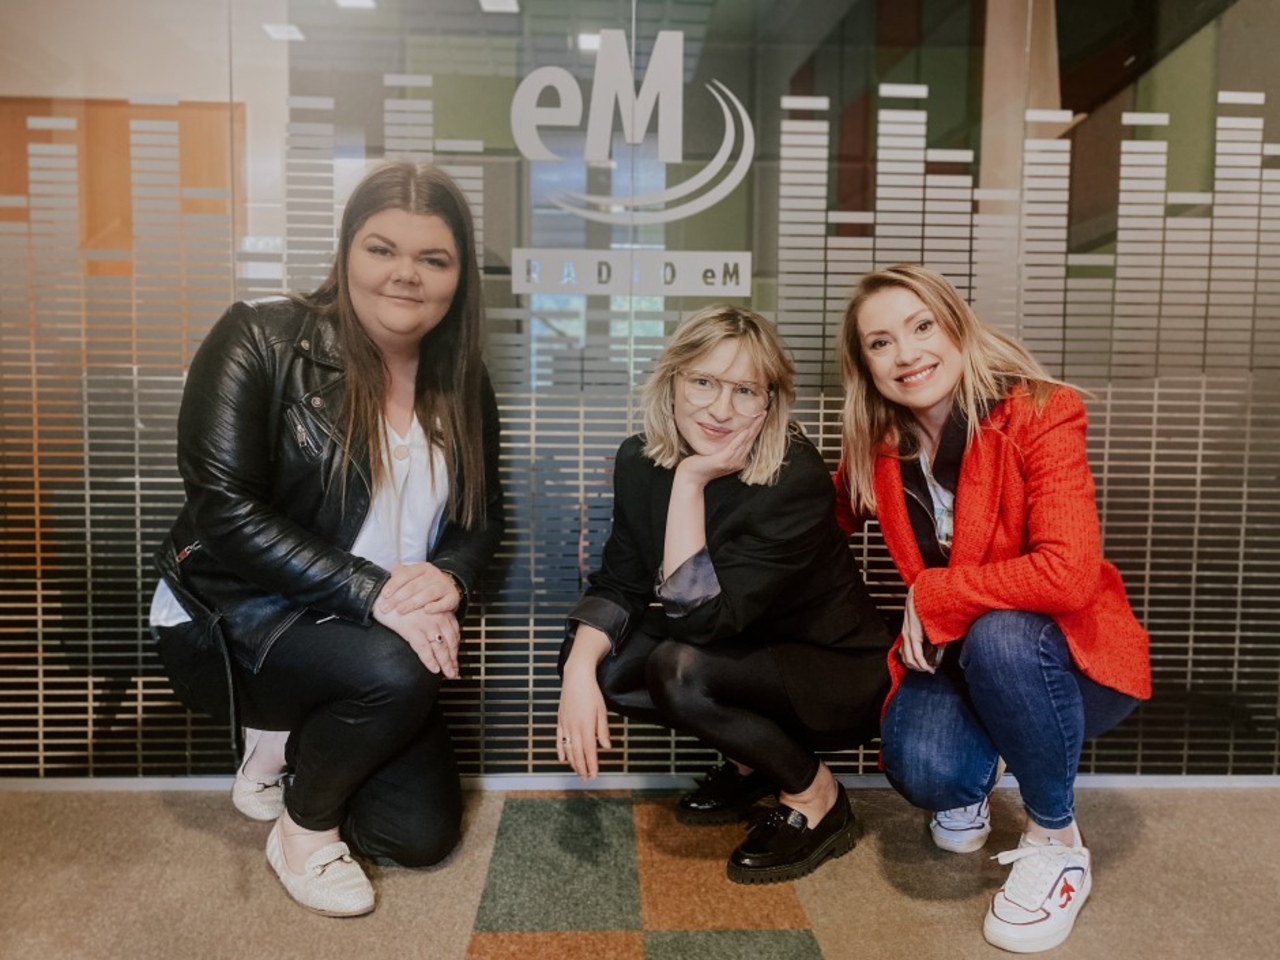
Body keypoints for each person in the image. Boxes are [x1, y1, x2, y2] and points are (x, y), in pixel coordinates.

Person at [150, 161, 503, 917]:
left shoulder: (463, 380)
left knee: (418, 836)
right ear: (346, 252)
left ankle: (284, 741)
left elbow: (481, 519)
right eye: (382, 249)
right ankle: (303, 834)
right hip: (236, 617)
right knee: (396, 671)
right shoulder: (258, 338)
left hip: (371, 633)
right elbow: (224, 512)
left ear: (459, 276)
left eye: (433, 258)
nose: (406, 274)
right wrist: (376, 594)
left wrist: (450, 577)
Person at [834, 264, 1151, 952]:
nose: (907, 353)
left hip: (1069, 665)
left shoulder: (1038, 411)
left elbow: (1068, 575)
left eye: (922, 326)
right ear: (865, 365)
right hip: (958, 662)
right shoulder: (879, 445)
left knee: (1001, 635)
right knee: (927, 772)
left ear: (957, 327)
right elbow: (817, 517)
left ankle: (1057, 840)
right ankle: (991, 761)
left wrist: (936, 594)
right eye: (881, 343)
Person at [557, 305, 891, 884]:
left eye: (744, 390)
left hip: (830, 670)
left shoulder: (793, 476)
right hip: (739, 651)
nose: (720, 409)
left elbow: (704, 621)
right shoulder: (639, 461)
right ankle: (752, 761)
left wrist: (691, 481)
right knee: (605, 660)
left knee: (679, 670)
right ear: (673, 381)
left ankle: (816, 796)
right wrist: (577, 673)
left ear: (769, 402)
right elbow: (620, 582)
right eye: (704, 382)